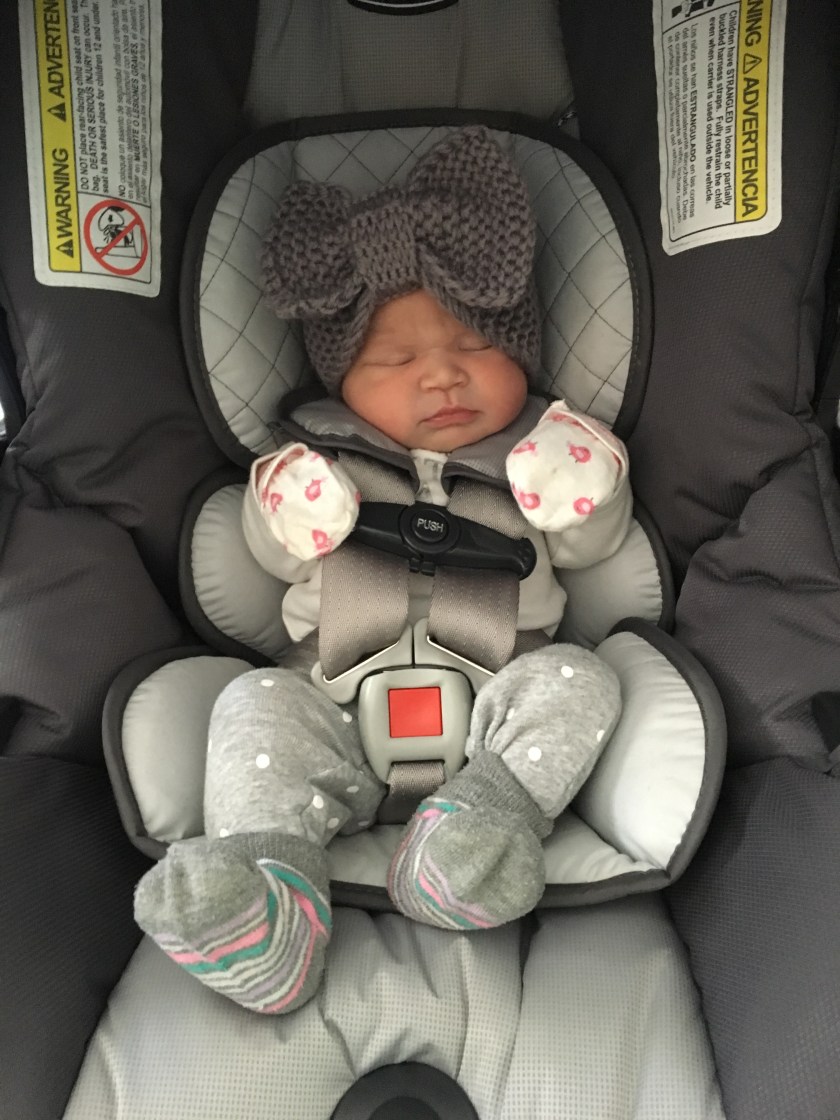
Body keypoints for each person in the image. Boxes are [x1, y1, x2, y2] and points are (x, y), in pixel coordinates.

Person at [134, 126, 632, 1015]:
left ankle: (471, 844)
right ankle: (267, 895)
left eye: (475, 348)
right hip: (333, 708)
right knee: (255, 703)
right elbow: (272, 551)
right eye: (397, 360)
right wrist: (289, 507)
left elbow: (593, 548)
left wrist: (587, 486)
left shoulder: (538, 450)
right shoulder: (317, 459)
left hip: (495, 713)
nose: (441, 377)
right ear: (343, 385)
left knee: (580, 679)